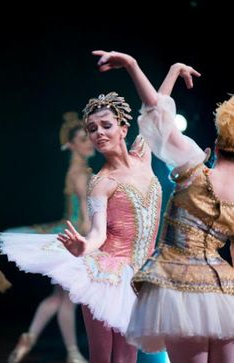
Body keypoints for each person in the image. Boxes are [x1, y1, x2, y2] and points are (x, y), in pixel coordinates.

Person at [0, 51, 168, 363]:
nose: (99, 133)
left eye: (105, 125)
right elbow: (99, 232)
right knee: (104, 358)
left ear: (123, 128)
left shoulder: (143, 155)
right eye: (92, 129)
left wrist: (144, 67)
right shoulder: (99, 181)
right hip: (107, 276)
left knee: (127, 359)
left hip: (142, 277)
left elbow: (157, 108)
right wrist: (83, 247)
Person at [99, 52, 234, 363]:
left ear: (214, 145)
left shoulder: (193, 166)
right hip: (223, 290)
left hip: (180, 289)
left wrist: (133, 65)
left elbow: (158, 118)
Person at [3, 112, 94, 363]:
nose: (90, 142)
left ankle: (29, 339)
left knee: (59, 297)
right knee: (67, 299)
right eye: (83, 138)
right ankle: (73, 353)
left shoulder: (75, 169)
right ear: (71, 144)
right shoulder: (81, 173)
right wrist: (90, 245)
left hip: (65, 233)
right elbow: (85, 219)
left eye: (89, 138)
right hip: (73, 237)